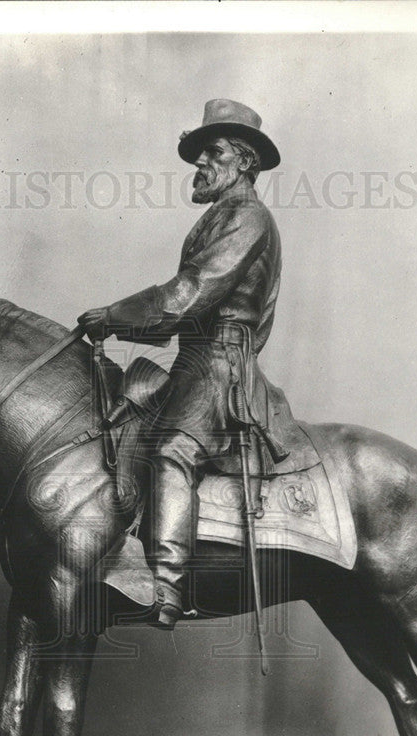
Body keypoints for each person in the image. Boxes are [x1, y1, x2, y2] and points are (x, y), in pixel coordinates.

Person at [78, 99, 282, 628]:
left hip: (219, 364)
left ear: (244, 162)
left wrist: (115, 315)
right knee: (123, 429)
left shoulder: (247, 216)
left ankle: (164, 586)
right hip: (193, 359)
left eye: (212, 152)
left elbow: (190, 293)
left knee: (171, 449)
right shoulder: (219, 217)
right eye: (200, 155)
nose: (200, 164)